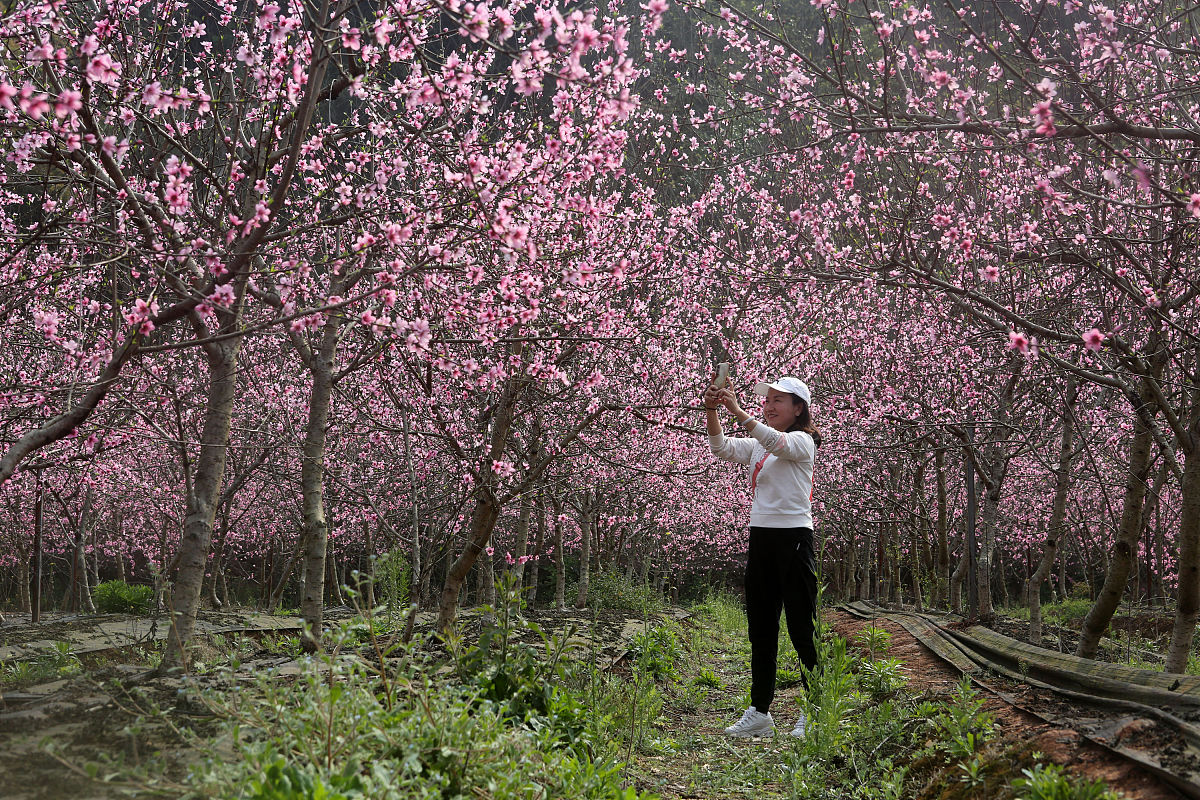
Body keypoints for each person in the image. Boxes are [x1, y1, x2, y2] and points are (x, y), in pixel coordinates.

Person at [704, 376, 821, 739]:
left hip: (795, 540)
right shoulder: (759, 444)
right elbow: (721, 447)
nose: (768, 406)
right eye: (766, 400)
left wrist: (738, 411)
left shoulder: (803, 441)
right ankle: (760, 711)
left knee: (802, 627)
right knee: (761, 628)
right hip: (762, 538)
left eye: (777, 401)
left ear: (798, 408)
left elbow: (777, 442)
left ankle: (814, 709)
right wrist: (712, 410)